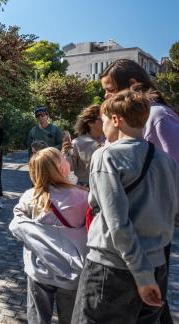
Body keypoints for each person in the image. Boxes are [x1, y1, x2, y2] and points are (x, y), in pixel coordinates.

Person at [71, 90, 179, 324]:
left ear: (116, 119)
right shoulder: (167, 161)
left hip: (112, 270)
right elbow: (171, 212)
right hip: (157, 267)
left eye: (105, 120)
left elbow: (117, 223)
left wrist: (141, 275)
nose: (103, 127)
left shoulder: (107, 156)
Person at [100, 58, 179, 323]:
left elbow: (172, 175)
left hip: (146, 235)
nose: (106, 95)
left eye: (110, 89)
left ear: (133, 85)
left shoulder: (158, 116)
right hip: (136, 237)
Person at [9, 147, 89, 324]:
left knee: (37, 318)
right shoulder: (83, 198)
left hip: (39, 270)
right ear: (61, 168)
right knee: (70, 319)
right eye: (64, 158)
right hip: (72, 272)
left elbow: (17, 225)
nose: (67, 159)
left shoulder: (30, 197)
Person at [62, 105, 105, 186]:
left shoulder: (110, 139)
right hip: (86, 188)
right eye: (102, 119)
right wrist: (65, 152)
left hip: (107, 185)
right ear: (90, 123)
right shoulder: (77, 143)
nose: (106, 121)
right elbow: (69, 167)